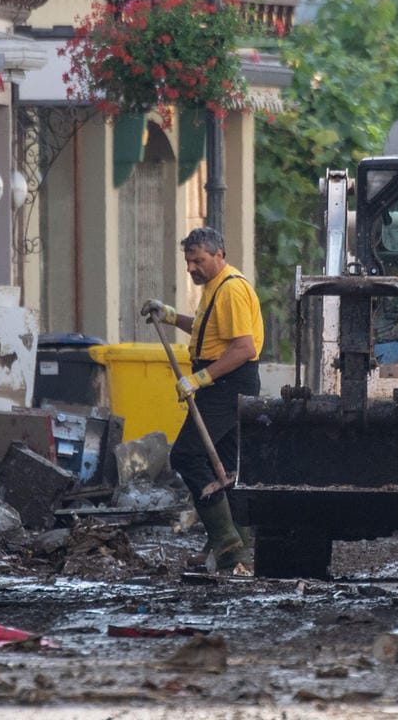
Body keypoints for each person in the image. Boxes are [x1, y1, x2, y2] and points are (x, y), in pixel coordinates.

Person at [140, 226, 264, 573]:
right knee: (225, 465)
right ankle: (237, 553)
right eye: (189, 261)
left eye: (199, 261)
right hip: (224, 381)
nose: (192, 268)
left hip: (227, 383)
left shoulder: (232, 290)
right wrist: (170, 315)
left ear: (219, 255)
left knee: (187, 454)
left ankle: (224, 538)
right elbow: (207, 328)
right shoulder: (216, 287)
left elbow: (244, 348)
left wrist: (201, 378)